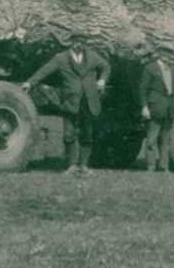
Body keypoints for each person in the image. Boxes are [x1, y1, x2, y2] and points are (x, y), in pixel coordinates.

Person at [22, 32, 110, 174]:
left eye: (81, 42)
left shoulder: (92, 56)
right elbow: (45, 70)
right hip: (70, 101)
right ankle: (71, 165)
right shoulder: (61, 58)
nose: (78, 44)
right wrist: (30, 82)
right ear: (70, 42)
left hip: (89, 101)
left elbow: (106, 66)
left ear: (84, 43)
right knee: (69, 134)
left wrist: (102, 79)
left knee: (87, 134)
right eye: (76, 41)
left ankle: (84, 165)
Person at [139, 49, 174, 172]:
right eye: (165, 52)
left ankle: (164, 166)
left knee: (166, 139)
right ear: (159, 53)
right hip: (155, 107)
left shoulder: (172, 70)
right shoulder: (150, 68)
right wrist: (144, 107)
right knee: (152, 138)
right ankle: (151, 166)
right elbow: (143, 89)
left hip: (170, 108)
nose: (167, 56)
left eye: (170, 53)